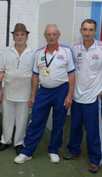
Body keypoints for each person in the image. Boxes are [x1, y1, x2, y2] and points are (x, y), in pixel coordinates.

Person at [64, 19, 102, 173]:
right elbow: (70, 71)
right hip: (77, 97)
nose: (87, 33)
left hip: (93, 99)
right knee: (75, 127)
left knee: (93, 131)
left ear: (95, 31)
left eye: (91, 30)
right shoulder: (75, 48)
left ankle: (95, 160)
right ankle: (74, 151)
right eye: (85, 29)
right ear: (80, 31)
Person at [14, 24, 75, 164]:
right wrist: (33, 95)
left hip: (61, 90)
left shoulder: (66, 51)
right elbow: (35, 76)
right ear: (45, 36)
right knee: (36, 121)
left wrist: (69, 95)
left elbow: (71, 75)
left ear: (58, 35)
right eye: (49, 34)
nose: (51, 37)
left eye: (54, 34)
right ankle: (27, 151)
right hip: (43, 91)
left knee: (59, 122)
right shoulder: (39, 53)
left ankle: (53, 150)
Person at [0, 23, 34, 155]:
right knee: (7, 118)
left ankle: (19, 142)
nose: (19, 37)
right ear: (13, 37)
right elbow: (0, 71)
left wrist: (33, 94)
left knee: (22, 120)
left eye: (22, 34)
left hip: (25, 92)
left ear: (27, 36)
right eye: (17, 35)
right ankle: (5, 140)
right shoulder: (6, 51)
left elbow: (36, 75)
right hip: (9, 91)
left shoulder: (33, 53)